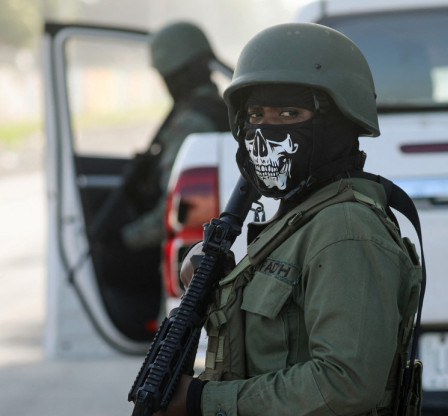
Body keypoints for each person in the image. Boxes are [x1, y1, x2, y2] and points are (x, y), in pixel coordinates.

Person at [157, 22, 423, 416]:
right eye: (255, 113)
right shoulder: (301, 217)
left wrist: (200, 401)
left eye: (288, 112)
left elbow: (345, 384)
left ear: (340, 119)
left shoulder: (346, 230)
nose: (265, 129)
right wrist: (219, 285)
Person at [119, 21, 230, 250]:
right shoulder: (220, 108)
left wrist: (126, 239)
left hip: (193, 252)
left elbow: (177, 210)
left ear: (180, 73)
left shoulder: (192, 122)